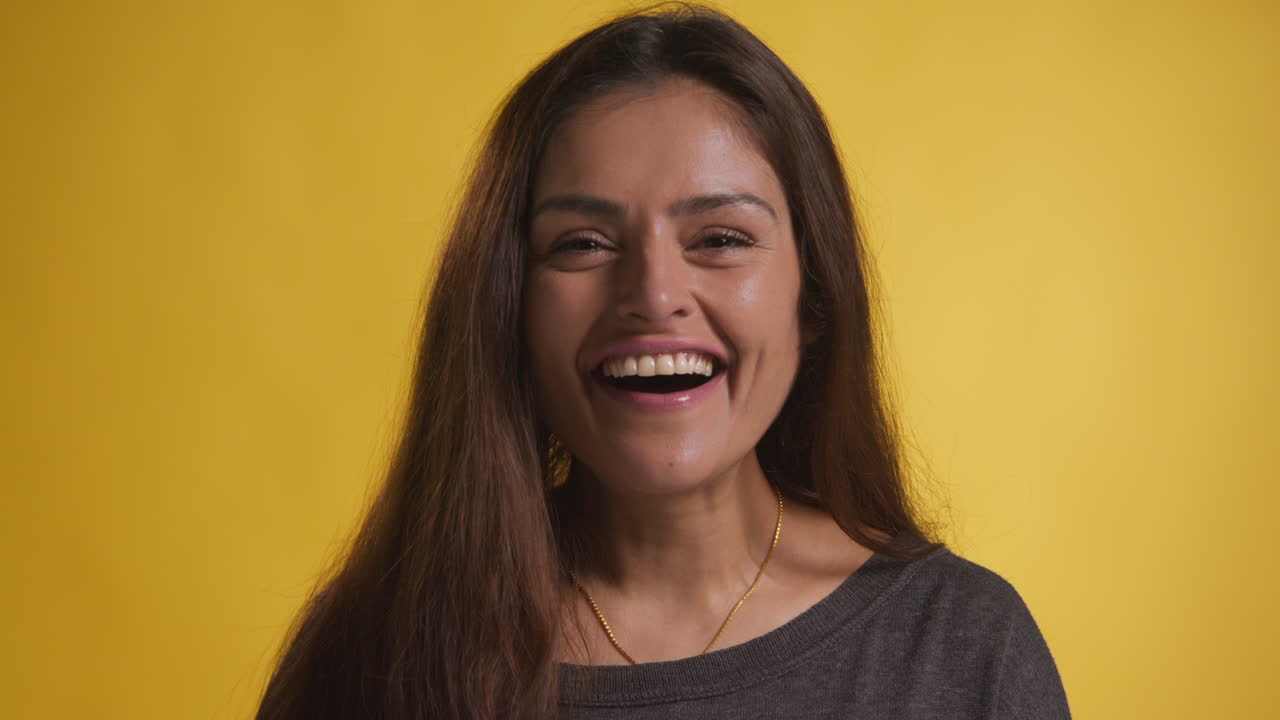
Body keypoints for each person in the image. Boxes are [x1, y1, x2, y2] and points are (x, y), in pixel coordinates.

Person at [256, 4, 1070, 719]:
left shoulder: (964, 652)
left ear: (813, 297)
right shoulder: (368, 654)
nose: (652, 293)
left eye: (719, 239)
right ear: (508, 308)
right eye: (582, 244)